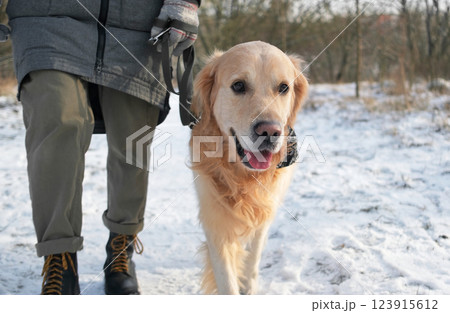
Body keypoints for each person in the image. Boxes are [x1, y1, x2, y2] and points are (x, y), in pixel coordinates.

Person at [4, 0, 200, 295]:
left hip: (140, 25)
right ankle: (59, 256)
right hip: (47, 17)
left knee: (133, 136)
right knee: (58, 118)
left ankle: (121, 247)